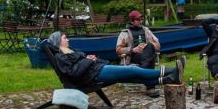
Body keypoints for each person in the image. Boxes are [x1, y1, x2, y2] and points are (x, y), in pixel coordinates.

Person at [50, 31, 184, 87]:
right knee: (132, 70)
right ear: (58, 42)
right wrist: (88, 60)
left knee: (132, 76)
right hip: (95, 74)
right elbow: (73, 73)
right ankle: (171, 70)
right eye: (64, 38)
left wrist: (89, 58)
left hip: (96, 69)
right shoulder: (61, 56)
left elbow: (80, 63)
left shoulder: (69, 51)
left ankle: (170, 79)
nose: (67, 39)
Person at [116, 10, 162, 97]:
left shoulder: (146, 30)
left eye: (141, 19)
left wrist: (147, 46)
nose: (140, 21)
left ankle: (142, 69)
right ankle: (150, 88)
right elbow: (118, 49)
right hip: (134, 56)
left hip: (146, 54)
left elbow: (158, 45)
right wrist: (133, 49)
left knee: (149, 47)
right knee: (150, 58)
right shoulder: (125, 33)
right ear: (132, 21)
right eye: (137, 19)